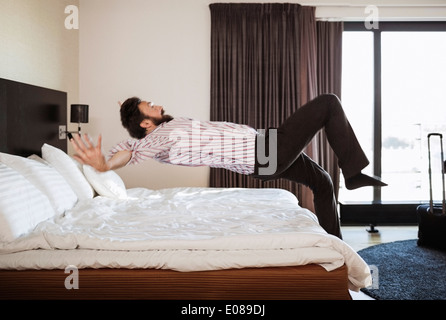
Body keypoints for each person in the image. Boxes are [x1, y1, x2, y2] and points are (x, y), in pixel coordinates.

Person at [70, 94, 386, 239]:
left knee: (322, 182)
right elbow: (132, 149)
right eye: (150, 107)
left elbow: (132, 141)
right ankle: (355, 172)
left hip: (265, 149)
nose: (158, 104)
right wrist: (106, 163)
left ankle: (335, 247)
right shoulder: (159, 138)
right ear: (146, 123)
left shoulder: (167, 128)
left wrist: (126, 108)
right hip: (265, 151)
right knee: (328, 103)